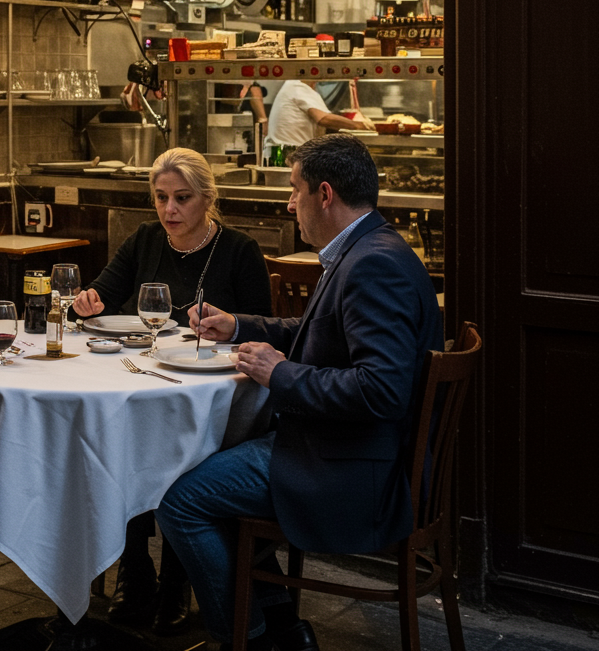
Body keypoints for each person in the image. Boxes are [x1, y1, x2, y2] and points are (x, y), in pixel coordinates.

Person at [154, 133, 443, 651]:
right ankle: (281, 627)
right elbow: (319, 333)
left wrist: (280, 373)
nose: (290, 204)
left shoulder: (373, 267)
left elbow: (382, 391)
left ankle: (251, 639)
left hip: (352, 468)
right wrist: (239, 325)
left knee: (180, 501)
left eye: (294, 190)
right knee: (212, 462)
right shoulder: (369, 247)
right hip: (349, 451)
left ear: (325, 194)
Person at [72, 146, 273, 635]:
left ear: (207, 198)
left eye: (182, 198)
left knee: (167, 452)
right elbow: (103, 292)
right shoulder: (144, 239)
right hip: (146, 377)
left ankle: (178, 576)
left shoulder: (238, 250)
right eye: (161, 198)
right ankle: (134, 568)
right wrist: (88, 300)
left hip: (212, 391)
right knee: (122, 441)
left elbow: (262, 329)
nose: (169, 210)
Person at [262, 79, 373, 162]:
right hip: (287, 157)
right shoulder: (298, 87)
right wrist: (360, 125)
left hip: (281, 156)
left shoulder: (291, 86)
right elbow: (324, 119)